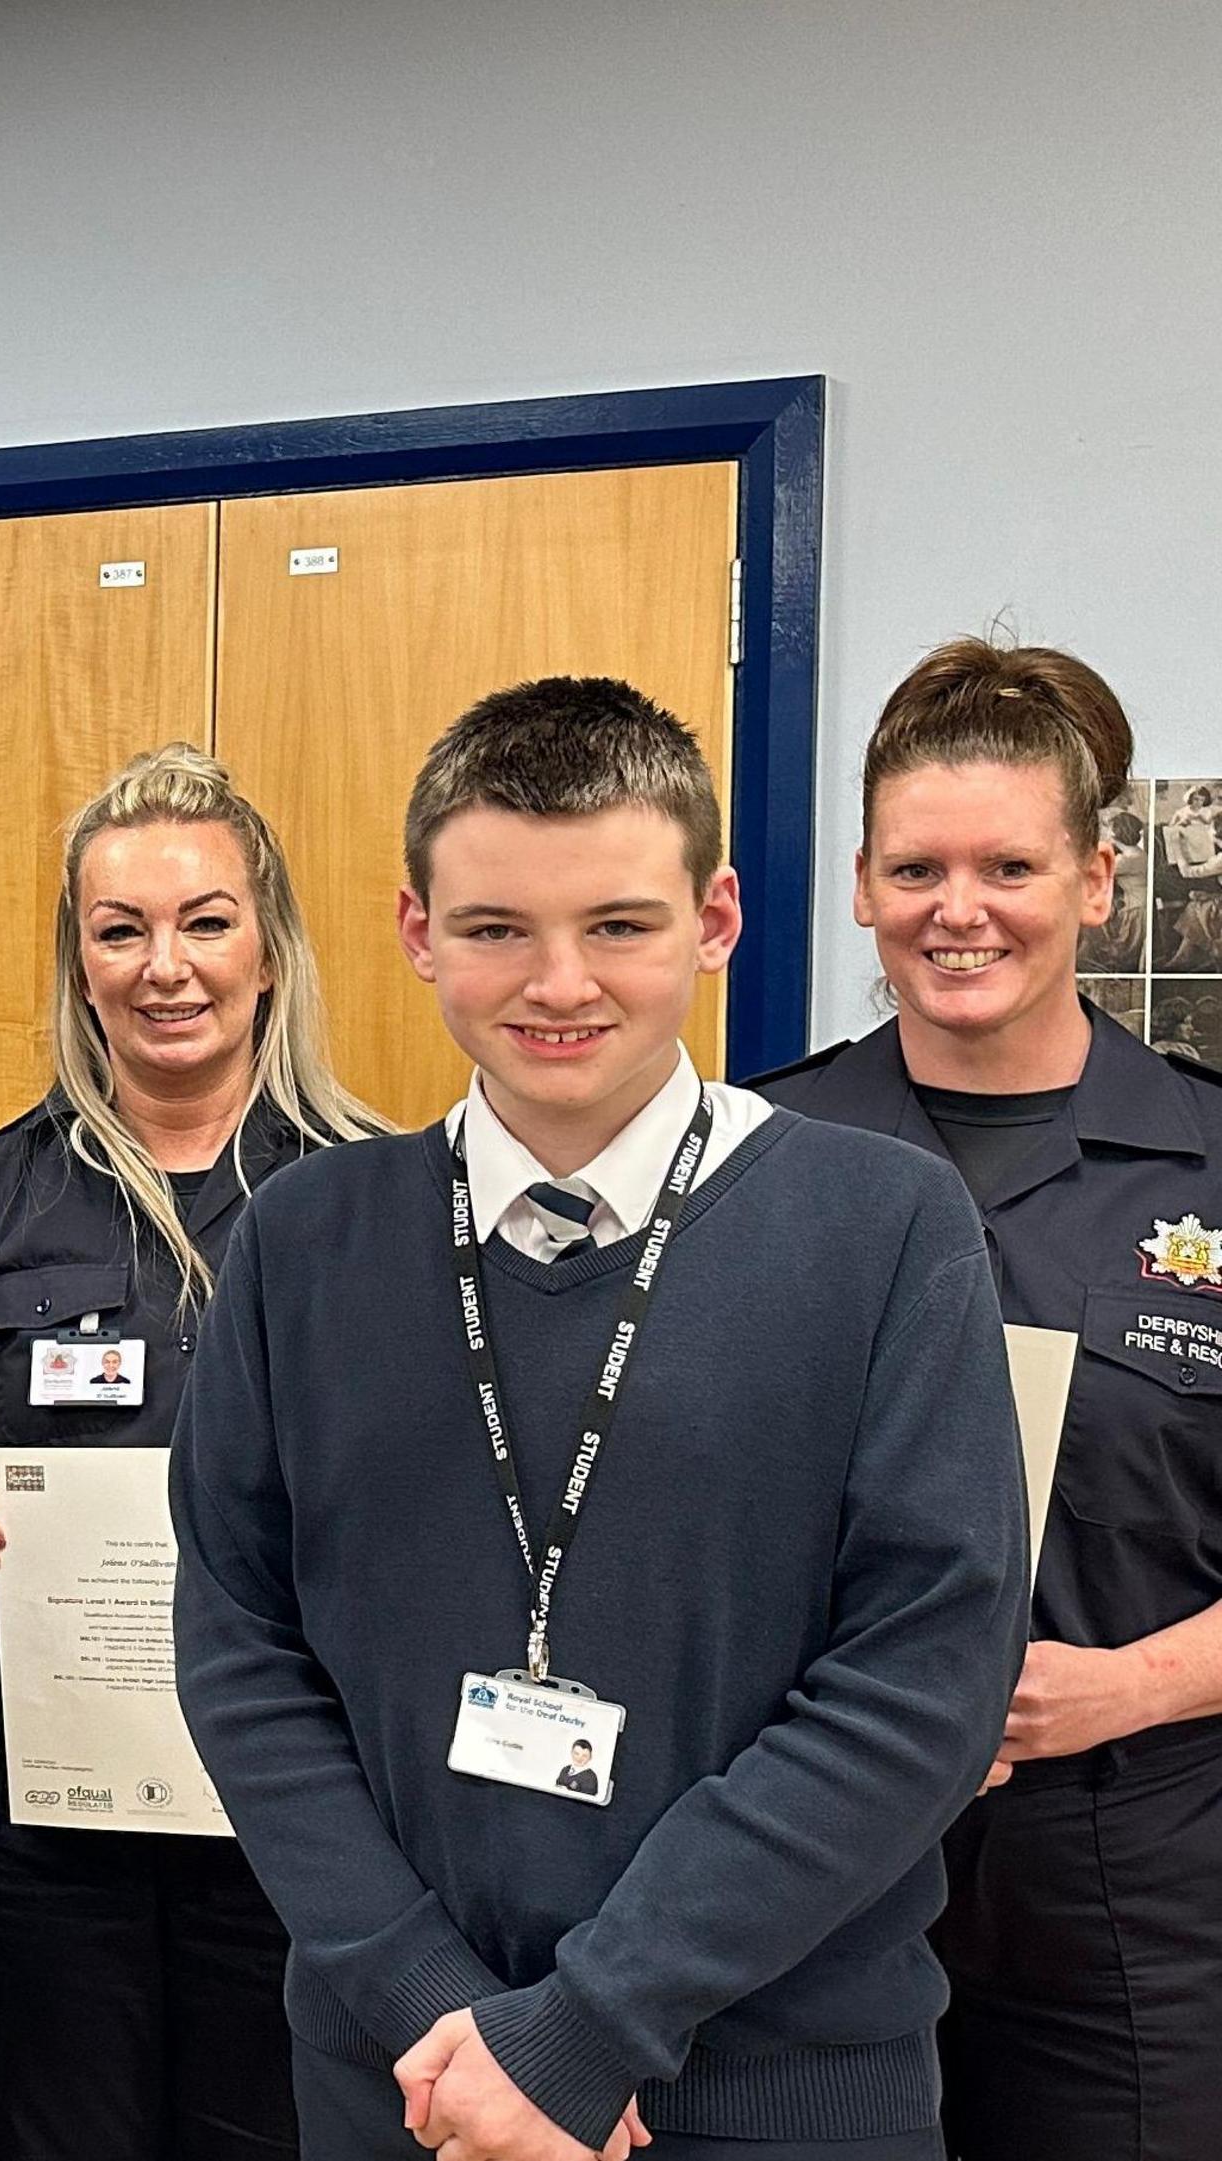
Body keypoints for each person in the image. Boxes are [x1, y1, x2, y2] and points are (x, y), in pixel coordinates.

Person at [174, 676, 1031, 2161]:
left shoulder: (884, 1226)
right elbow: (240, 1648)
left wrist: (585, 2028)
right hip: (406, 2081)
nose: (558, 982)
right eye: (498, 927)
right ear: (417, 932)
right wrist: (443, 2015)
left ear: (715, 922)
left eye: (620, 926)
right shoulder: (302, 1240)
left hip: (774, 2088)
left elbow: (928, 1675)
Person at [0, 744, 383, 2161]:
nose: (168, 966)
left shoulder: (378, 1194)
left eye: (206, 920)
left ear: (268, 949)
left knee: (272, 2126)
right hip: (49, 1777)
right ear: (78, 962)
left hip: (296, 1778)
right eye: (122, 929)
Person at [752, 639, 1222, 2161]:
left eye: (1009, 863)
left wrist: (1126, 1684)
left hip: (1137, 1884)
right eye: (917, 867)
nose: (960, 910)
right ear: (863, 887)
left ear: (1095, 880)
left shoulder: (1209, 1162)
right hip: (809, 1860)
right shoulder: (752, 1157)